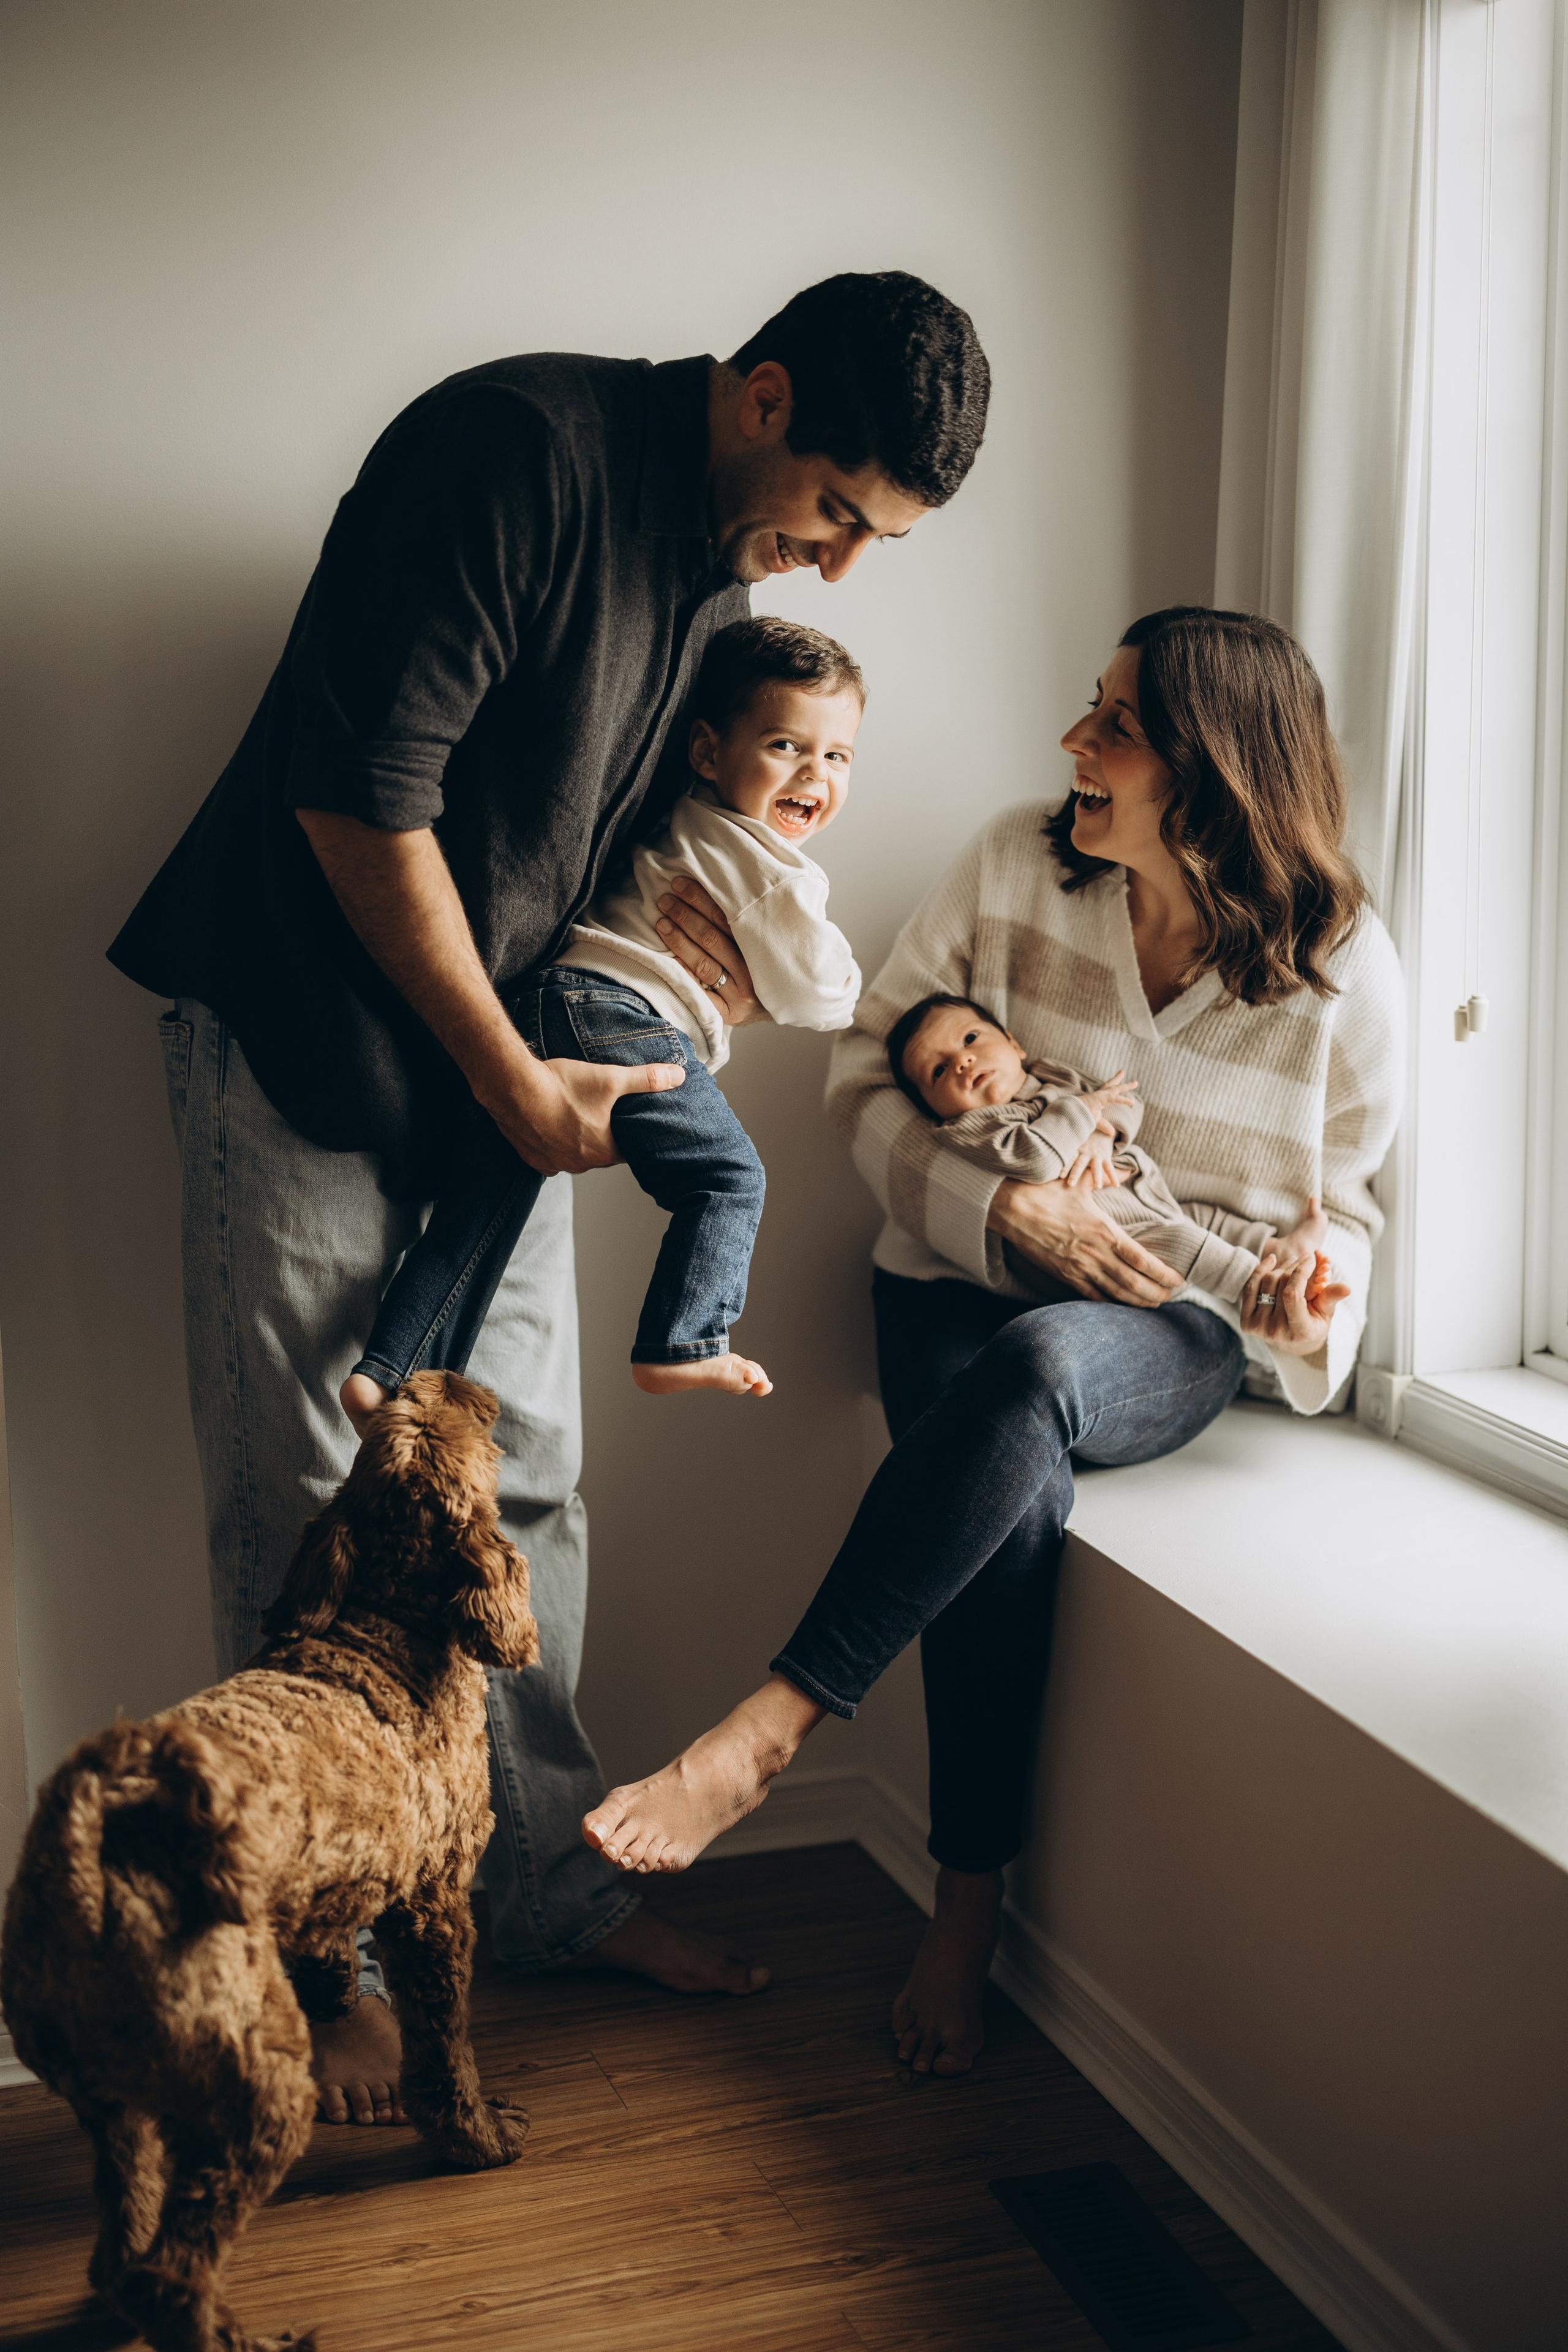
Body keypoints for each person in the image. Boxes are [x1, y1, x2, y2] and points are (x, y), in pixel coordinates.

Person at [106, 272, 991, 2124]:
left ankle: (542, 1894)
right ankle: (313, 1967)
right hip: (300, 1039)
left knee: (524, 1497)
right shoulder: (508, 453)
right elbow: (360, 799)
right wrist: (511, 1077)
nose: (830, 564)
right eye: (838, 511)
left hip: (502, 1076)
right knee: (310, 1502)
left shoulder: (718, 581)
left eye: (866, 542)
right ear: (759, 398)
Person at [578, 605, 1404, 2080]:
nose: (1073, 743)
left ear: (1211, 765)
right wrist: (1011, 1209)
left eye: (1114, 725)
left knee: (1034, 1384)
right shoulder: (1015, 857)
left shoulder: (1342, 970)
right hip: (952, 1279)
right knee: (1005, 1496)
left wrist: (1306, 1288)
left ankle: (769, 1726)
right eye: (1088, 710)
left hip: (1166, 1324)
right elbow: (861, 1072)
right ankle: (966, 1911)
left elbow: (1339, 1214)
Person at [341, 616, 864, 1433]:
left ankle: (388, 1369)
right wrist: (814, 984)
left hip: (549, 1006)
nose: (815, 775)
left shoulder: (683, 813)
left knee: (481, 1211)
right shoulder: (772, 869)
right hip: (622, 1018)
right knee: (728, 1179)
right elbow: (824, 997)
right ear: (706, 752)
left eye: (837, 756)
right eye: (785, 747)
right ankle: (683, 1340)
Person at [886, 991, 1338, 1308]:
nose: (963, 1061)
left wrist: (1105, 1134)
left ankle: (1278, 1248)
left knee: (1201, 1217)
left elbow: (1123, 1102)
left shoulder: (1053, 1076)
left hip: (1145, 1192)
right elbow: (1037, 1157)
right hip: (1113, 1239)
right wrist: (1084, 1110)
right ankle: (1262, 1287)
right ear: (934, 1110)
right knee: (1185, 1239)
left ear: (1013, 1043)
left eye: (970, 1040)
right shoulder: (973, 1128)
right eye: (940, 1071)